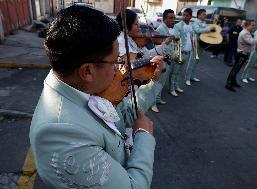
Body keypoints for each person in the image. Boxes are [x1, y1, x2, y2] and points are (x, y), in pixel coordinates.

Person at [29, 6, 164, 188]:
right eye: (116, 61)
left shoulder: (82, 86)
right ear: (87, 71)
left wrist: (153, 82)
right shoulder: (61, 135)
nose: (120, 68)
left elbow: (122, 114)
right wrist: (144, 136)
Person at [115, 9, 174, 113]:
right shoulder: (121, 42)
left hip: (135, 88)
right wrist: (151, 63)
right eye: (136, 24)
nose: (139, 27)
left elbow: (148, 54)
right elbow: (132, 64)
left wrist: (163, 45)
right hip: (126, 91)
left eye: (139, 23)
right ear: (126, 26)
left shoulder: (131, 39)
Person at [225, 20, 257, 92]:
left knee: (237, 69)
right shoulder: (245, 33)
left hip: (243, 53)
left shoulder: (247, 32)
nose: (254, 27)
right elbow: (252, 42)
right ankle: (228, 84)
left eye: (254, 25)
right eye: (252, 25)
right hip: (241, 54)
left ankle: (233, 82)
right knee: (235, 69)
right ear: (247, 25)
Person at [151, 9, 176, 112]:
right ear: (165, 19)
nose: (173, 20)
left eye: (174, 18)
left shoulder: (169, 29)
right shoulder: (161, 29)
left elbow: (170, 45)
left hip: (168, 60)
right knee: (157, 83)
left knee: (162, 82)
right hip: (162, 60)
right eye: (171, 18)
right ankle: (152, 103)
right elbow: (159, 46)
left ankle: (158, 99)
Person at [185, 9, 215, 86]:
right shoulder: (195, 22)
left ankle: (192, 76)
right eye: (204, 14)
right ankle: (187, 78)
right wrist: (208, 29)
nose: (205, 15)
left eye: (205, 14)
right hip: (195, 42)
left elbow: (205, 31)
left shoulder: (204, 22)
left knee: (197, 61)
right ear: (199, 15)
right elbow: (198, 30)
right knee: (192, 61)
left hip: (202, 43)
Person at [173, 8, 193, 94]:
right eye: (183, 15)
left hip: (187, 53)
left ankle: (176, 86)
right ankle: (172, 89)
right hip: (180, 52)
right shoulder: (178, 26)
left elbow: (191, 38)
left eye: (187, 15)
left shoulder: (191, 26)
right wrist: (177, 54)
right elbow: (176, 40)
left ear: (190, 17)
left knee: (180, 71)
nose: (184, 17)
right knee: (175, 72)